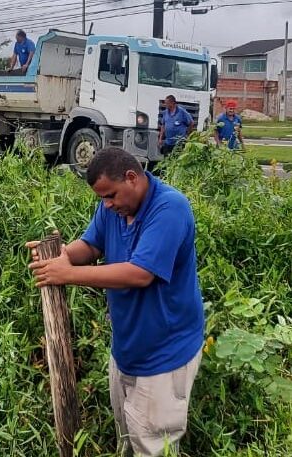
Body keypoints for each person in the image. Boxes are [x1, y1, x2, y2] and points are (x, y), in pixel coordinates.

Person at [26, 147, 204, 457]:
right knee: (128, 437)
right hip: (127, 348)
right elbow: (92, 245)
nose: (107, 205)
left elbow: (140, 274)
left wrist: (67, 274)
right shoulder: (112, 208)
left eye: (111, 196)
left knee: (154, 446)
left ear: (132, 178)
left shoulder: (169, 208)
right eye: (102, 199)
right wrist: (61, 256)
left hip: (165, 353)